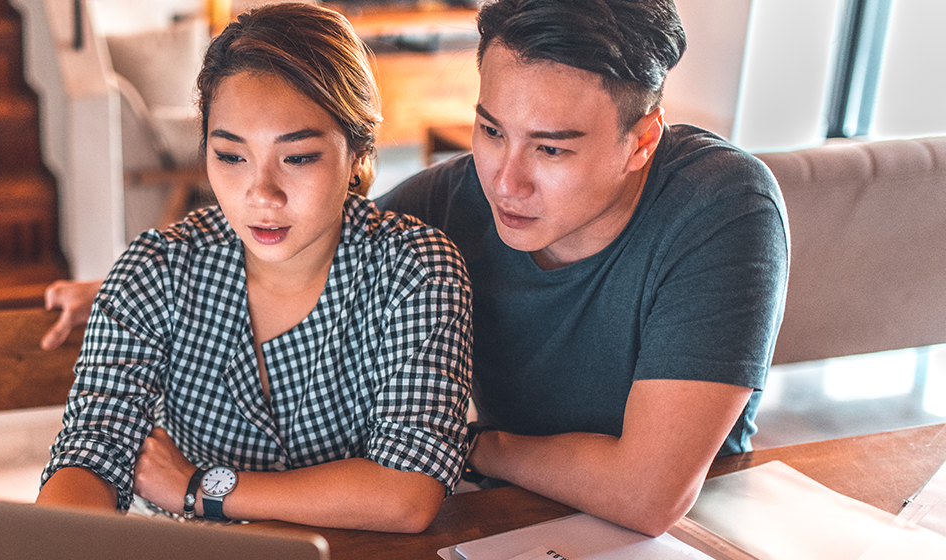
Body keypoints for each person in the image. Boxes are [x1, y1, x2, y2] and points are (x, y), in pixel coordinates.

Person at [41, 0, 789, 537]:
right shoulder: (450, 201)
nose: (505, 179)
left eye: (551, 148)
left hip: (683, 532)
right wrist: (123, 288)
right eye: (490, 130)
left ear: (641, 138)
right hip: (499, 520)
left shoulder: (718, 205)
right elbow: (302, 234)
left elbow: (648, 494)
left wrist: (460, 447)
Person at [34, 3, 472, 534]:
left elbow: (407, 493)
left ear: (358, 151)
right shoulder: (155, 272)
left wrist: (201, 488)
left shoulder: (415, 271)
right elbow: (91, 452)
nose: (261, 194)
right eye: (231, 156)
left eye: (298, 157)